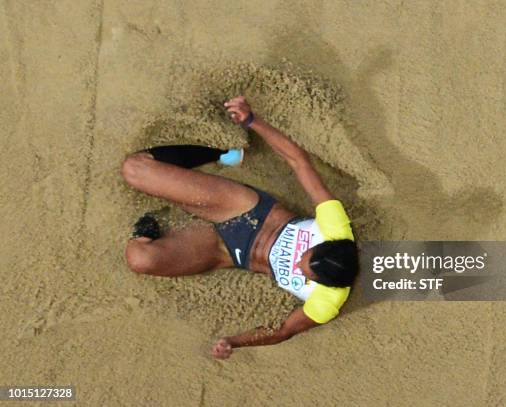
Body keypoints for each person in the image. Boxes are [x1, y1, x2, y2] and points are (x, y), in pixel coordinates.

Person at [121, 96, 358, 360]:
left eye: (302, 272)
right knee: (134, 169)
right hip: (245, 210)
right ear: (324, 242)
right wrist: (253, 121)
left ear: (318, 283)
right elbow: (298, 161)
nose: (296, 263)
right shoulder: (336, 225)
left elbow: (281, 331)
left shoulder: (327, 303)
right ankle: (220, 154)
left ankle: (154, 224)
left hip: (227, 252)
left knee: (140, 258)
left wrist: (234, 342)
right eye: (306, 253)